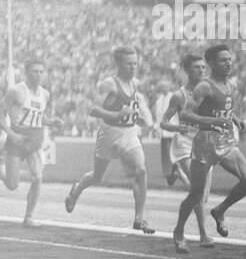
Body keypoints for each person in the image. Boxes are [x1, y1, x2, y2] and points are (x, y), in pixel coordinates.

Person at [173, 44, 246, 252]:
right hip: (205, 144)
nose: (228, 63)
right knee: (196, 194)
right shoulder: (204, 86)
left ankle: (220, 210)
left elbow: (225, 109)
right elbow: (185, 114)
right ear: (211, 63)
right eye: (223, 60)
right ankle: (179, 232)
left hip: (226, 141)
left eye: (229, 59)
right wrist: (211, 122)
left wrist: (236, 120)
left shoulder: (232, 86)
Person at [65, 45, 156, 233]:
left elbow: (135, 109)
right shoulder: (109, 84)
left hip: (129, 133)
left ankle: (139, 219)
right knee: (97, 177)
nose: (133, 67)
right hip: (109, 134)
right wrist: (116, 115)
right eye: (129, 64)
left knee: (141, 169)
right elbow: (93, 110)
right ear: (118, 64)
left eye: (135, 63)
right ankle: (77, 189)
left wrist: (141, 117)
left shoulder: (135, 84)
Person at [1, 59, 63, 227]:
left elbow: (39, 115)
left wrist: (51, 122)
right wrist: (11, 134)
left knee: (38, 177)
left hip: (35, 139)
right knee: (13, 185)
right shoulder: (16, 91)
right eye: (35, 71)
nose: (38, 75)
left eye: (41, 71)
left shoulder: (45, 94)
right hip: (17, 139)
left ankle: (28, 217)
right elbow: (1, 113)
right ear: (26, 72)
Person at [158, 53, 211, 244]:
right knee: (198, 189)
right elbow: (163, 123)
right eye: (197, 67)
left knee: (201, 196)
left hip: (204, 144)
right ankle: (204, 235)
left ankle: (179, 230)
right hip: (184, 144)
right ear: (187, 70)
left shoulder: (209, 92)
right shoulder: (179, 96)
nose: (202, 70)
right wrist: (176, 127)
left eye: (204, 67)